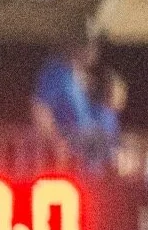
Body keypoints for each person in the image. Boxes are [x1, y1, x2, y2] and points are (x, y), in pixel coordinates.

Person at [30, 35, 122, 165]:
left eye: (95, 45)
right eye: (88, 43)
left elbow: (103, 115)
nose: (94, 49)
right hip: (70, 160)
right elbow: (40, 109)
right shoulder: (57, 71)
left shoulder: (90, 79)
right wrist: (56, 142)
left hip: (99, 162)